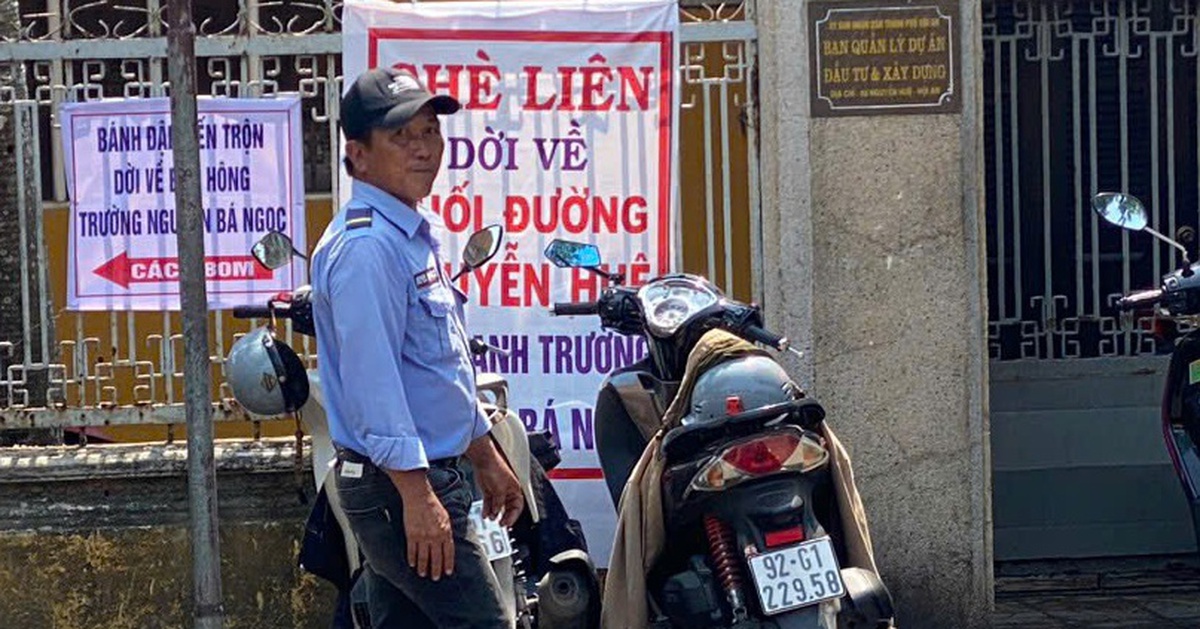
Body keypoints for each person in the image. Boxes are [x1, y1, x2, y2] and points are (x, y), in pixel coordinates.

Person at [309, 66, 524, 628]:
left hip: (424, 479)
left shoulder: (407, 235)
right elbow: (374, 387)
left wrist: (485, 454)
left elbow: (436, 368)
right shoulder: (367, 250)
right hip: (397, 486)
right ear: (356, 154)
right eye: (402, 136)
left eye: (429, 131)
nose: (423, 148)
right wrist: (418, 497)